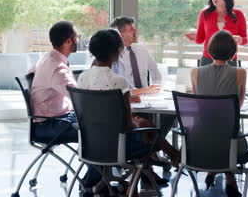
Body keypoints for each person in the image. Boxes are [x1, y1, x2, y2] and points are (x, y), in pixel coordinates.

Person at [77, 29, 180, 189]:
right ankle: (172, 156)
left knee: (144, 123)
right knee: (147, 127)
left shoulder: (83, 77)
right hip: (117, 146)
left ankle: (169, 156)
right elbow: (128, 126)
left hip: (89, 144)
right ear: (118, 51)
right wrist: (139, 123)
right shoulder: (120, 82)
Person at [190, 30, 247, 197]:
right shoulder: (240, 72)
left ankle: (214, 172)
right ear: (233, 52)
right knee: (227, 138)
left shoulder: (194, 72)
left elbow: (200, 104)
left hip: (199, 142)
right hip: (231, 144)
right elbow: (238, 105)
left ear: (209, 49)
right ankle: (229, 178)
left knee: (215, 135)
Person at [30, 20, 79, 143]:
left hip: (52, 120)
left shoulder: (47, 57)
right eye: (77, 37)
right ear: (69, 41)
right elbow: (80, 99)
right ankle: (99, 161)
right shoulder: (57, 68)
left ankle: (95, 160)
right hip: (51, 125)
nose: (79, 40)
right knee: (100, 128)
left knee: (96, 123)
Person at [184, 0, 248, 67]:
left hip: (230, 61)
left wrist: (240, 39)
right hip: (207, 60)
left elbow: (245, 40)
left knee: (229, 81)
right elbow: (200, 39)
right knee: (204, 81)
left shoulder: (238, 15)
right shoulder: (205, 14)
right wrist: (195, 37)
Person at [110, 16, 162, 95]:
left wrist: (155, 87)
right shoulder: (113, 56)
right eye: (131, 29)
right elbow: (116, 88)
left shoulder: (142, 49)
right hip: (125, 100)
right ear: (120, 34)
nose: (136, 31)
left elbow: (155, 72)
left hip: (146, 98)